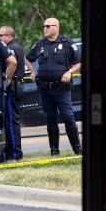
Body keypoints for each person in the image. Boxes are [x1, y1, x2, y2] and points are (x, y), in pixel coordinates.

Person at [25, 17, 82, 156]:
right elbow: (27, 58)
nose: (45, 28)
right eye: (44, 26)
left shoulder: (68, 43)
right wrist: (32, 72)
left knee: (68, 117)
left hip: (61, 88)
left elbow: (79, 62)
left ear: (56, 27)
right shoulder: (40, 44)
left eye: (48, 26)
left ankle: (77, 149)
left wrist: (69, 72)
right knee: (50, 118)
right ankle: (54, 151)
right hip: (45, 88)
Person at [0, 25, 25, 160]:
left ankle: (15, 153)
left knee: (11, 121)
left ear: (9, 36)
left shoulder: (12, 49)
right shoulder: (15, 47)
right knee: (9, 119)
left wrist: (7, 79)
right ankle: (12, 152)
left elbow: (11, 65)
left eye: (1, 35)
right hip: (15, 85)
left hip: (12, 85)